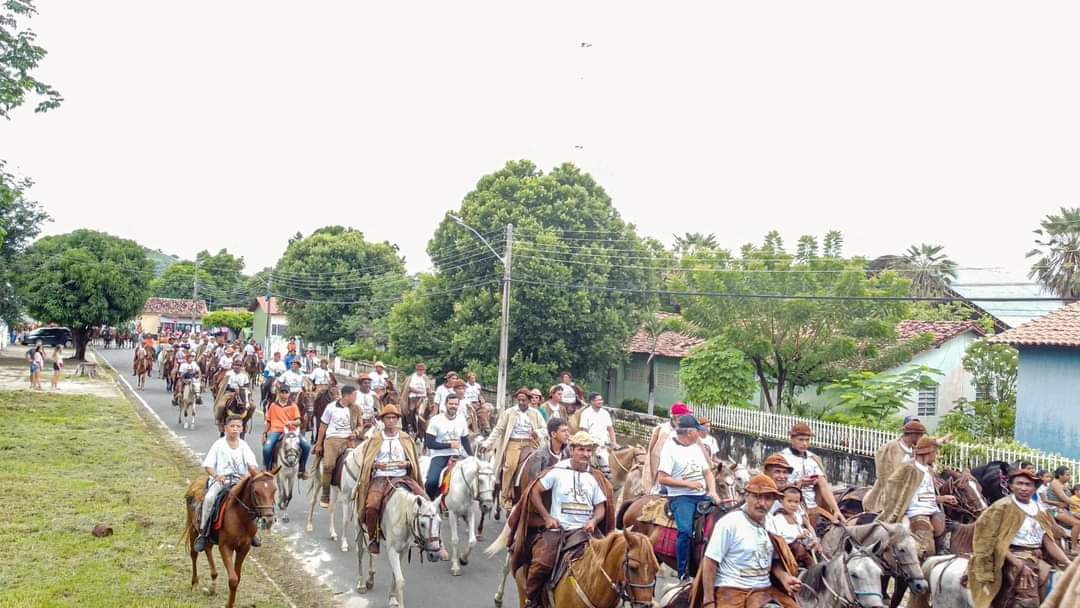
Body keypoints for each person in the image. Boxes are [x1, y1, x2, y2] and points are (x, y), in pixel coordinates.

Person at [518, 431, 613, 608]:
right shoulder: (558, 471)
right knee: (542, 563)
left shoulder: (593, 476)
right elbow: (534, 491)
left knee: (613, 561)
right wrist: (547, 517)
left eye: (589, 450)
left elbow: (601, 507)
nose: (586, 454)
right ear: (572, 449)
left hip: (586, 531)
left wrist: (593, 521)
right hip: (560, 530)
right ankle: (531, 600)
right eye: (581, 450)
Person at [967, 468, 1069, 608]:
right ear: (1011, 486)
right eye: (1019, 483)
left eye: (1028, 485)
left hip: (1035, 557)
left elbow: (1048, 541)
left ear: (1035, 488)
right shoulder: (1001, 507)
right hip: (1010, 556)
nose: (1023, 488)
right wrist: (1018, 564)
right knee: (1028, 602)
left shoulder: (1039, 509)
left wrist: (1069, 563)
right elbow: (993, 540)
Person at [698, 475, 801, 608]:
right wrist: (708, 601)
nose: (762, 503)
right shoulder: (729, 523)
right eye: (757, 496)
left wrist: (784, 578)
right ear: (746, 496)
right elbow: (710, 561)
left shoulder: (772, 522)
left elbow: (774, 561)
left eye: (768, 498)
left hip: (765, 590)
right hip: (732, 591)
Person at [657, 414, 724, 581]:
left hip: (701, 494)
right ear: (689, 432)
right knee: (685, 531)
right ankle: (682, 573)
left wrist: (713, 491)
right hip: (681, 497)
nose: (701, 433)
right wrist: (687, 484)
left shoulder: (695, 447)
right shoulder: (669, 449)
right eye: (698, 430)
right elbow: (662, 478)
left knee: (724, 514)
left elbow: (708, 472)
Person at [354, 404, 424, 555]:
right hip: (381, 477)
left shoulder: (405, 438)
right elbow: (366, 462)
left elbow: (413, 461)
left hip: (402, 477)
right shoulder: (375, 438)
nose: (391, 421)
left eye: (393, 418)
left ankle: (429, 538)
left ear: (397, 420)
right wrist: (375, 464)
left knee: (425, 501)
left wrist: (406, 463)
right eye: (388, 418)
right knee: (372, 506)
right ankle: (374, 538)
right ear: (383, 420)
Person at [876, 436, 955, 559]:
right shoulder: (908, 468)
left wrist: (942, 498)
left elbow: (922, 495)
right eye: (936, 452)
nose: (937, 456)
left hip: (933, 511)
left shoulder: (929, 470)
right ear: (929, 452)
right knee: (926, 550)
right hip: (916, 513)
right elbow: (893, 487)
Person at [192, 415, 261, 553]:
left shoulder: (244, 446)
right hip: (221, 482)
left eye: (238, 426)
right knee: (210, 498)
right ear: (225, 428)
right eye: (232, 426)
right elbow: (208, 466)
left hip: (240, 482)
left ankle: (254, 531)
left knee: (255, 499)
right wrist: (217, 476)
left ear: (242, 429)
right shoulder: (218, 445)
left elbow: (252, 465)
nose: (235, 429)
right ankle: (203, 532)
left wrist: (247, 476)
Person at [483, 387, 546, 510]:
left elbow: (545, 428)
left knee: (542, 465)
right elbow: (498, 429)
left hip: (531, 443)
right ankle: (505, 496)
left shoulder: (535, 413)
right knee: (509, 467)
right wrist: (487, 443)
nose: (521, 402)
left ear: (529, 400)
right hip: (514, 443)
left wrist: (537, 432)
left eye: (524, 400)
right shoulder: (509, 412)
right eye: (519, 400)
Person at [780, 423, 845, 526]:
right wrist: (798, 483)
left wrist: (836, 510)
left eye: (807, 440)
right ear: (791, 439)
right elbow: (776, 485)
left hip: (813, 507)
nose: (805, 443)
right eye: (801, 440)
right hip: (790, 507)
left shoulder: (813, 459)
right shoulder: (781, 458)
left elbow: (824, 486)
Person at [863, 419, 928, 511]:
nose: (921, 438)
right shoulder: (892, 447)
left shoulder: (915, 450)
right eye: (920, 435)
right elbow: (884, 473)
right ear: (913, 435)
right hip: (889, 493)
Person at [314, 385, 362, 507]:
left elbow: (360, 425)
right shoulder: (330, 408)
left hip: (349, 440)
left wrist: (355, 432)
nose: (356, 398)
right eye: (354, 395)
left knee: (361, 461)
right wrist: (319, 444)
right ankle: (325, 493)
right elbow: (323, 426)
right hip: (333, 439)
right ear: (347, 395)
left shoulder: (355, 408)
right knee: (329, 465)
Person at [424, 395, 473, 500]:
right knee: (431, 482)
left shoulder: (462, 420)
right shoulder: (436, 420)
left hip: (457, 456)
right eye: (451, 404)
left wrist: (472, 457)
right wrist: (449, 445)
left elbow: (465, 441)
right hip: (439, 455)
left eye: (456, 404)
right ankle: (431, 502)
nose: (453, 406)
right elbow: (429, 443)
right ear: (446, 404)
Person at [767, 484, 823, 568]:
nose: (793, 505)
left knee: (817, 550)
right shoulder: (778, 518)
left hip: (802, 546)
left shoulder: (797, 517)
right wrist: (797, 537)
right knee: (802, 551)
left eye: (796, 502)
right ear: (782, 501)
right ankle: (812, 569)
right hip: (788, 551)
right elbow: (780, 537)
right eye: (789, 501)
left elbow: (800, 530)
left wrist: (809, 538)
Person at [642, 403, 692, 493]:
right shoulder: (665, 431)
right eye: (686, 415)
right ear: (677, 417)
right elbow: (656, 455)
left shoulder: (688, 430)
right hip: (666, 473)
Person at [263, 386, 310, 478]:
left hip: (291, 431)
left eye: (286, 392)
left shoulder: (293, 406)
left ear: (289, 394)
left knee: (306, 446)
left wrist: (291, 422)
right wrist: (264, 433)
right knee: (266, 448)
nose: (284, 394)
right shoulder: (273, 406)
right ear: (279, 393)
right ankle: (268, 470)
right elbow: (268, 421)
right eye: (282, 392)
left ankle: (302, 469)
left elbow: (299, 421)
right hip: (276, 430)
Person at [578, 393, 618, 474]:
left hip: (606, 443)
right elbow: (584, 431)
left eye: (601, 399)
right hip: (593, 444)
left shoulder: (605, 413)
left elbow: (610, 429)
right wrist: (590, 445)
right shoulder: (586, 413)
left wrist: (614, 443)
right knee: (602, 459)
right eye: (598, 400)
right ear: (592, 401)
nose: (601, 401)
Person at [1043, 466, 1080, 555]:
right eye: (1067, 474)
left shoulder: (1064, 485)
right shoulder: (1056, 483)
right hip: (1053, 510)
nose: (1069, 476)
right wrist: (1077, 504)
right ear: (1060, 475)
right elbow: (1063, 497)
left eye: (1070, 474)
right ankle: (1074, 548)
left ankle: (1075, 544)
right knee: (1077, 523)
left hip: (1063, 510)